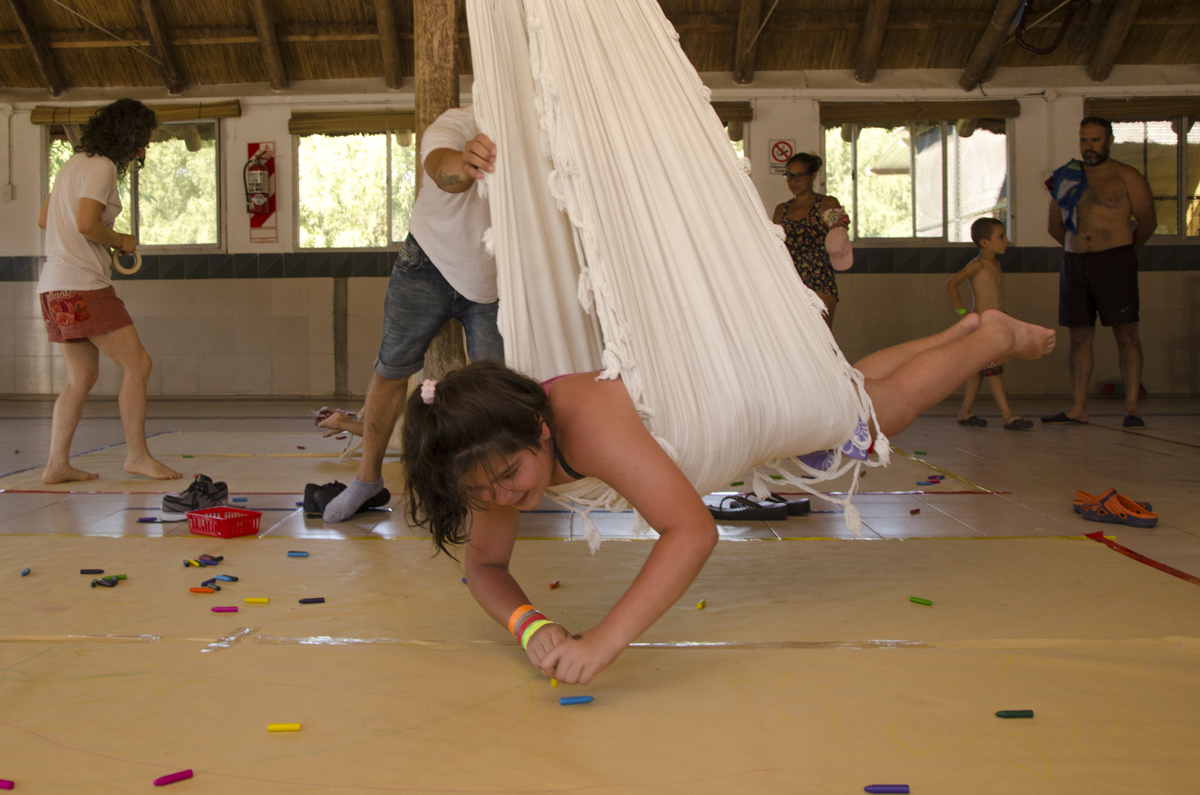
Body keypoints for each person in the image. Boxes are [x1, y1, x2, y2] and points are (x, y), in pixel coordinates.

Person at [401, 311, 1057, 685]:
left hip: (740, 392)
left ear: (539, 428)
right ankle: (960, 332)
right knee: (847, 389)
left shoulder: (588, 422)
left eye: (508, 475)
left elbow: (692, 531)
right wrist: (530, 624)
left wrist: (602, 641)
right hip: (711, 399)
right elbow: (484, 565)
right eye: (481, 490)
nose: (502, 496)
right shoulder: (484, 452)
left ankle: (992, 339)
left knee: (874, 415)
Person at [322, 107, 504, 522]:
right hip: (427, 264)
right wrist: (466, 162)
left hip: (493, 277)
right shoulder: (456, 123)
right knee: (392, 369)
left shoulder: (539, 129)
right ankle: (367, 480)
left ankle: (493, 480)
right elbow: (441, 170)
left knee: (495, 386)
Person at [35, 98, 181, 485]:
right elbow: (86, 224)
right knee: (139, 365)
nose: (142, 152)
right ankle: (137, 456)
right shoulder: (101, 167)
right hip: (83, 285)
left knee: (80, 378)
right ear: (126, 136)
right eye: (141, 142)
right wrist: (120, 240)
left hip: (54, 288)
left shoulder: (73, 164)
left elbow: (44, 218)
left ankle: (57, 465)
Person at [1044, 116, 1156, 428]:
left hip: (1116, 262)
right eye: (1084, 140)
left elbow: (1147, 222)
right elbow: (1054, 226)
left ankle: (1131, 408)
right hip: (1076, 263)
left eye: (1095, 140)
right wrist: (1078, 248)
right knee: (1079, 336)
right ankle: (1078, 407)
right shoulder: (1066, 176)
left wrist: (1123, 251)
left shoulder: (1126, 176)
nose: (1089, 146)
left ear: (1109, 141)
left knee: (1126, 334)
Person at [945, 218, 1032, 431]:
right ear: (985, 242)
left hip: (996, 321)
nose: (1006, 241)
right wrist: (963, 312)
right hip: (983, 324)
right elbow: (952, 283)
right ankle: (1008, 415)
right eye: (1001, 237)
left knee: (978, 369)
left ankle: (965, 412)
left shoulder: (996, 265)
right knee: (993, 369)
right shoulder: (978, 264)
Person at [772, 152, 848, 327]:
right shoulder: (781, 210)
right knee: (791, 335)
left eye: (799, 176)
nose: (793, 181)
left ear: (812, 176)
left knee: (821, 336)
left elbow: (841, 238)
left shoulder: (828, 204)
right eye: (789, 176)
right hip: (790, 281)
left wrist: (840, 227)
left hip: (820, 280)